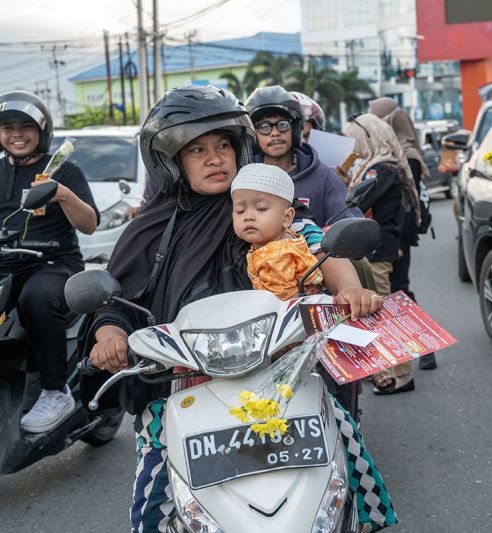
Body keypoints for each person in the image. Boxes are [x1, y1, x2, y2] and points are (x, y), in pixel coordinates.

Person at [81, 85, 394, 532]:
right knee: (154, 473)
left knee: (343, 431)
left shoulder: (262, 208)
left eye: (222, 145)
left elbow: (318, 243)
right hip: (184, 380)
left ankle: (362, 518)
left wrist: (349, 288)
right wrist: (109, 334)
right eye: (197, 150)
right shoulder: (150, 230)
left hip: (279, 369)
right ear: (172, 161)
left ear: (240, 147)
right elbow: (117, 299)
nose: (214, 158)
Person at [0, 90, 100, 433]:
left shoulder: (64, 170)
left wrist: (61, 193)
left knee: (35, 299)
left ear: (42, 131)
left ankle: (55, 391)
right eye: (7, 127)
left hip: (53, 263)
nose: (16, 133)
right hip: (6, 264)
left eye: (25, 126)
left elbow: (89, 224)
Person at [342, 113, 421, 394]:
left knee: (384, 312)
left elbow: (354, 202)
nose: (349, 145)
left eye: (353, 138)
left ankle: (401, 373)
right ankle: (390, 369)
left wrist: (340, 178)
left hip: (377, 249)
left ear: (365, 137)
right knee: (383, 308)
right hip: (380, 246)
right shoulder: (385, 165)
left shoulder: (380, 169)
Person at [368, 97, 437, 370]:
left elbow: (409, 203)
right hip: (397, 234)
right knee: (399, 292)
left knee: (400, 293)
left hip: (399, 235)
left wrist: (398, 241)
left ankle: (425, 348)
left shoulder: (406, 154)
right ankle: (425, 349)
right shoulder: (398, 150)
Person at [245, 85, 361, 226]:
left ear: (295, 129)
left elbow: (350, 225)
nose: (274, 133)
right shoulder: (243, 180)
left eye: (282, 124)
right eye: (264, 127)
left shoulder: (325, 178)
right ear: (253, 135)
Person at [231, 162, 323, 299]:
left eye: (261, 209)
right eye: (240, 211)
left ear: (287, 217)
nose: (248, 217)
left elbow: (282, 300)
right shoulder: (286, 240)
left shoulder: (277, 257)